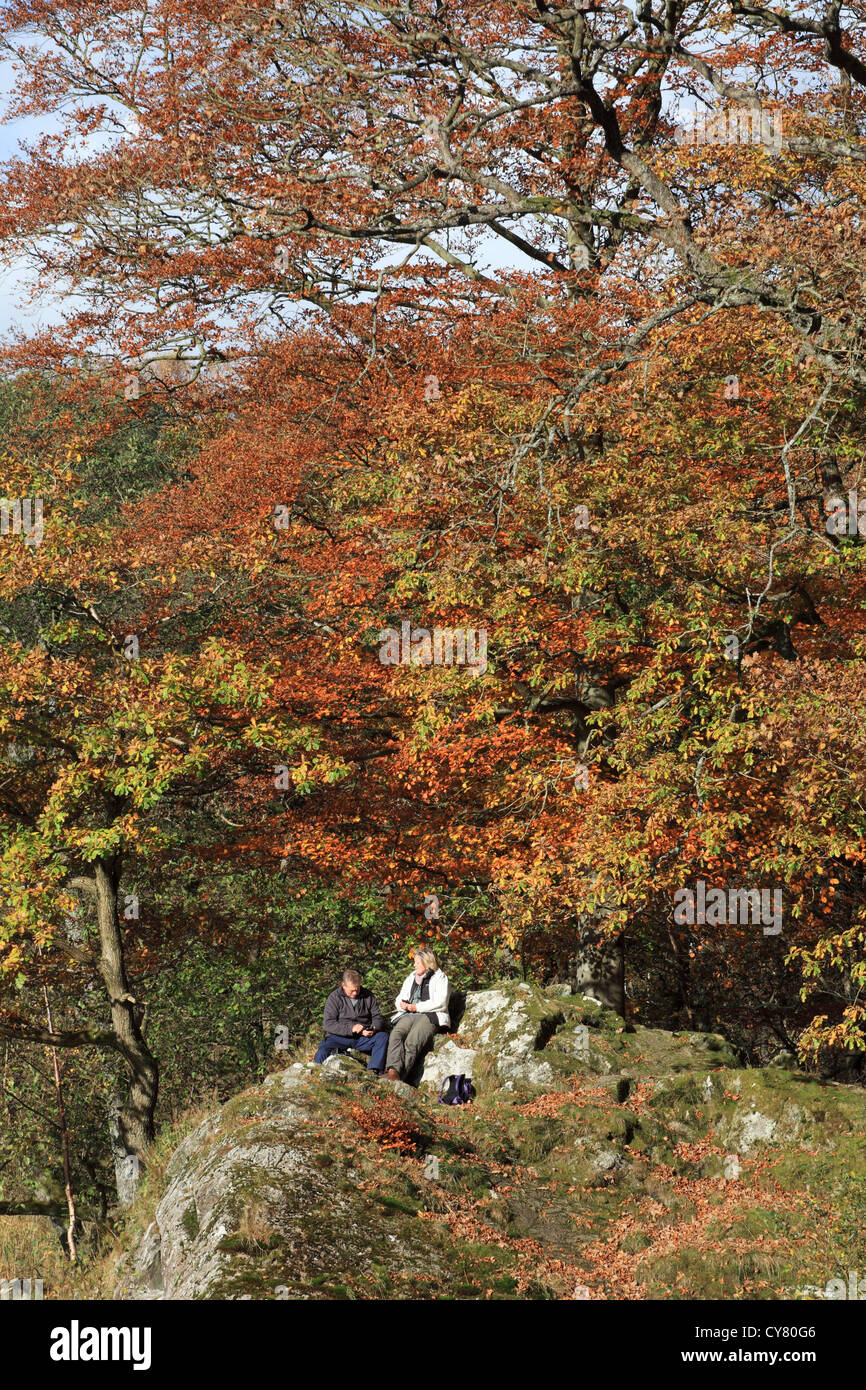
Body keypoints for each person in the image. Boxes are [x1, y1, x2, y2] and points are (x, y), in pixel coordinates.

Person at [383, 948, 450, 1082]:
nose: (414, 965)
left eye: (417, 963)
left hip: (430, 1015)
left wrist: (416, 1007)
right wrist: (402, 1004)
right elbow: (400, 997)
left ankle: (400, 1078)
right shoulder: (412, 977)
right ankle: (392, 1071)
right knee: (396, 1034)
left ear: (427, 963)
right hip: (409, 1013)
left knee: (412, 1042)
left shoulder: (440, 978)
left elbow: (441, 1002)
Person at [314, 969, 389, 1074]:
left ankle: (373, 1071)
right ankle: (319, 1074)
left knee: (382, 1037)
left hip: (363, 1038)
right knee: (322, 1051)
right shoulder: (334, 998)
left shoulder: (368, 996)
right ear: (343, 985)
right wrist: (351, 1029)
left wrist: (373, 1028)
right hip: (338, 1038)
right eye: (351, 990)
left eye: (357, 989)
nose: (355, 993)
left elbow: (377, 1016)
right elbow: (328, 1024)